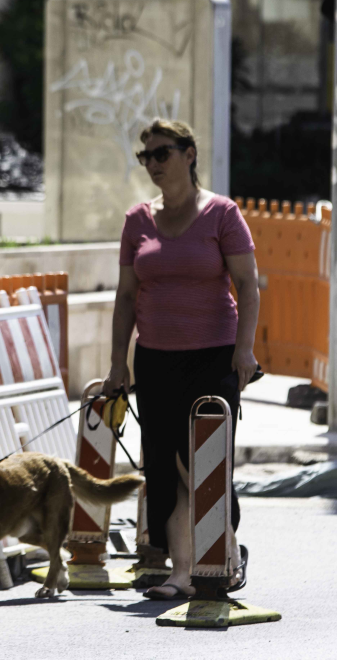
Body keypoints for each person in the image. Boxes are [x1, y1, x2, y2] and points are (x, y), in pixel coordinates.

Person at [103, 118, 260, 600]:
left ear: (189, 154)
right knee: (166, 468)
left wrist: (244, 350)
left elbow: (249, 286)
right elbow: (126, 297)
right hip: (155, 359)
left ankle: (224, 555)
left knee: (205, 463)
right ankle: (180, 571)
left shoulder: (221, 214)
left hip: (212, 357)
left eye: (162, 153)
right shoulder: (137, 221)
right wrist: (117, 365)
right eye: (145, 156)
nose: (152, 163)